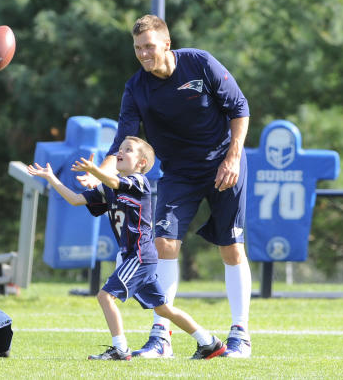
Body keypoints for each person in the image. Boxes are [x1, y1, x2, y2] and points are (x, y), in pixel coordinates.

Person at [77, 15, 252, 359]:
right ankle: (162, 337)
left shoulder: (199, 63)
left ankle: (240, 334)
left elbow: (240, 108)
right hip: (178, 173)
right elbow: (122, 138)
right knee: (163, 244)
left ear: (167, 44)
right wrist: (99, 172)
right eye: (138, 48)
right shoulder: (135, 87)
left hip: (224, 164)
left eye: (149, 47)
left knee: (231, 249)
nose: (143, 54)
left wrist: (232, 158)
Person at [28, 136, 226, 360]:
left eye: (128, 150)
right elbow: (75, 199)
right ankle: (209, 343)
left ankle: (120, 349)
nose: (120, 152)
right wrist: (51, 177)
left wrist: (94, 170)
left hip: (140, 255)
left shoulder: (139, 182)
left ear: (141, 163)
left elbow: (115, 182)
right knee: (162, 309)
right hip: (137, 256)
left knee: (105, 296)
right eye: (120, 149)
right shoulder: (108, 188)